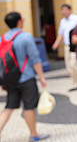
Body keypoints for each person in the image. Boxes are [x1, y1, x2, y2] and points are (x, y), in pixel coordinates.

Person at [0, 12, 49, 141]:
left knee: (9, 107)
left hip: (10, 79)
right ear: (20, 21)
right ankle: (33, 134)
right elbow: (35, 59)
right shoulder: (26, 37)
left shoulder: (2, 39)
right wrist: (42, 77)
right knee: (29, 107)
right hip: (26, 78)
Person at [52, 4, 77, 90]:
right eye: (62, 10)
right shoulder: (62, 21)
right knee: (68, 66)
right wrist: (56, 44)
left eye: (65, 10)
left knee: (74, 64)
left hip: (75, 46)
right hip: (67, 46)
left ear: (70, 10)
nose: (63, 12)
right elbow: (60, 34)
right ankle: (75, 83)